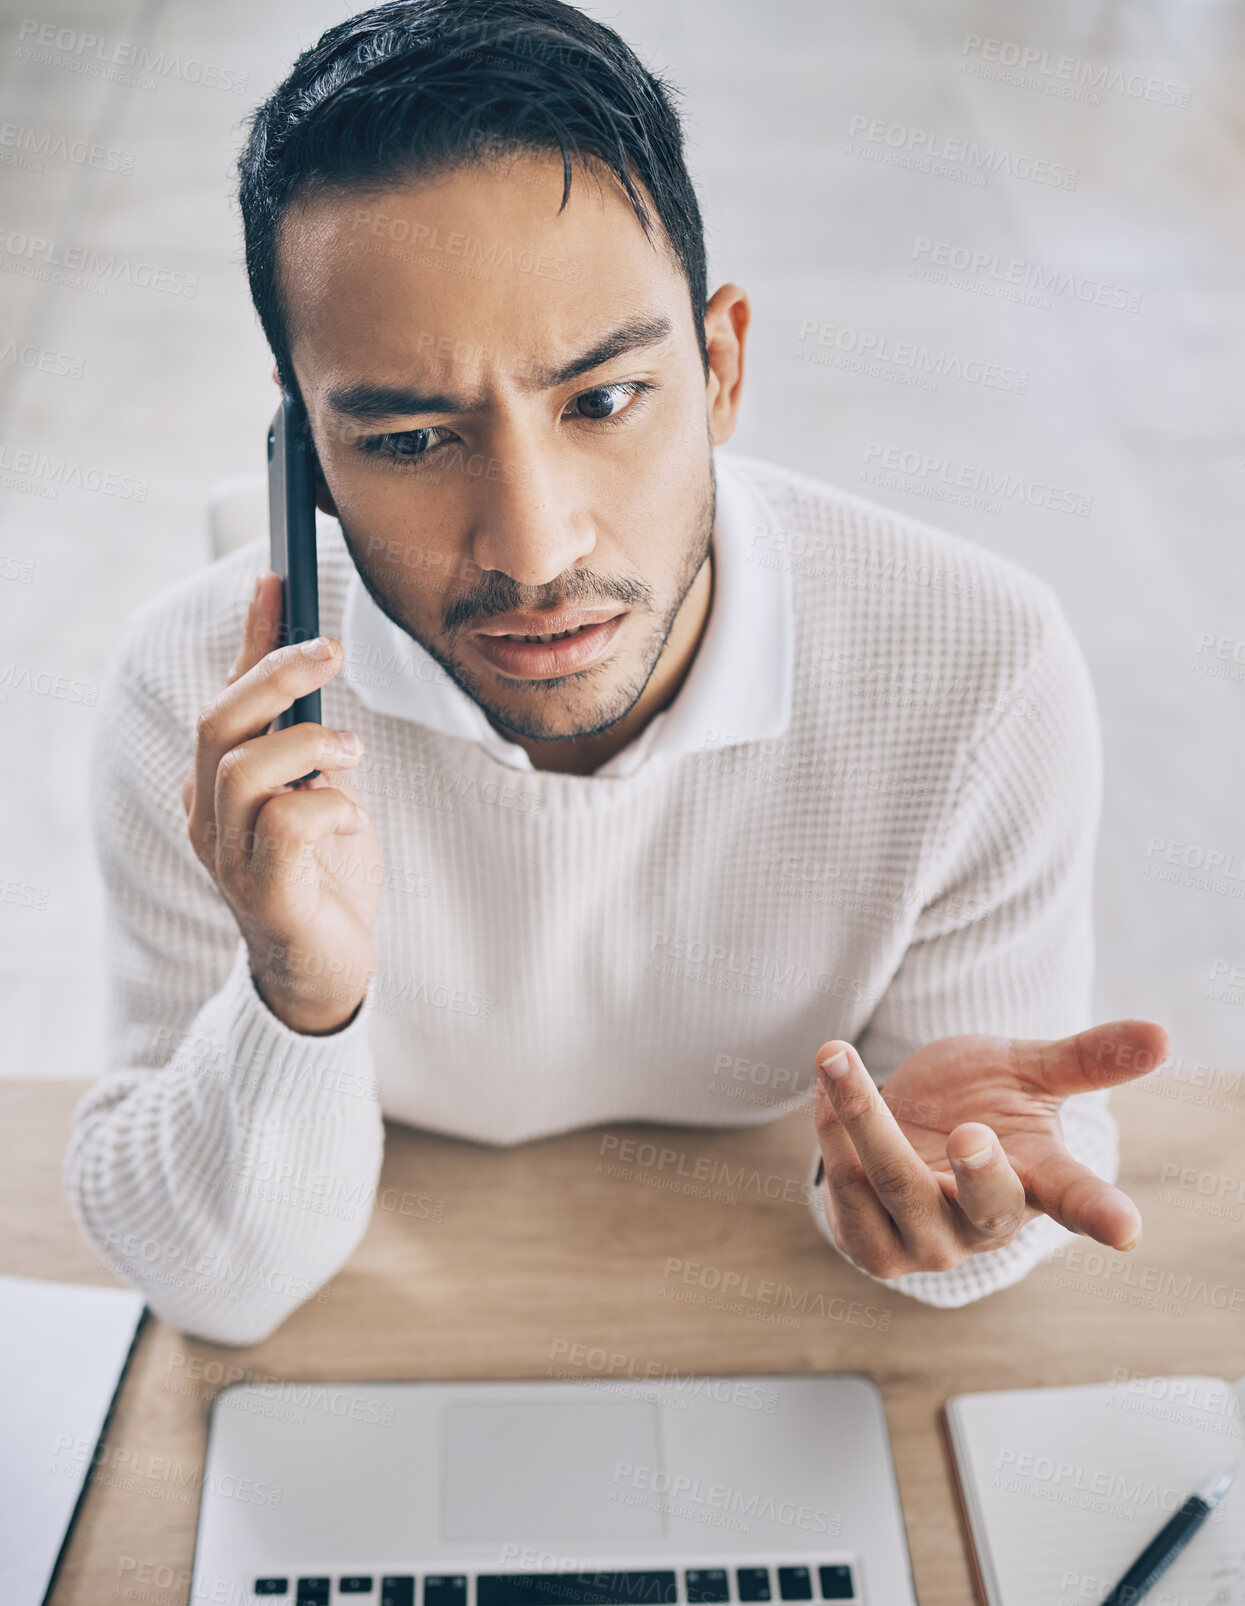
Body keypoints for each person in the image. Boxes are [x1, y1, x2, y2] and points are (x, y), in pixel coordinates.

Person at [64, 0, 1170, 1346]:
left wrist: (915, 1211)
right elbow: (215, 1287)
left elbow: (973, 1166)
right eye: (411, 440)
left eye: (599, 401)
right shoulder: (207, 711)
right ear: (305, 462)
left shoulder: (975, 674)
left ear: (718, 369)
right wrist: (296, 996)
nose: (534, 547)